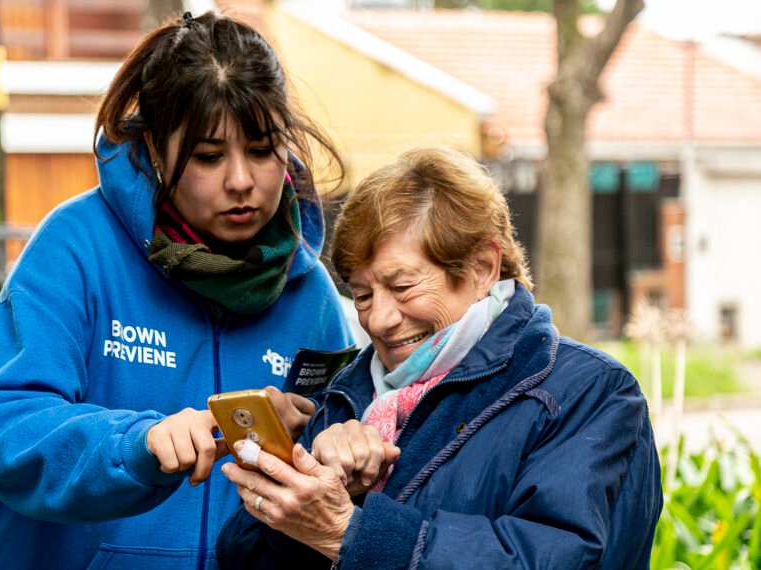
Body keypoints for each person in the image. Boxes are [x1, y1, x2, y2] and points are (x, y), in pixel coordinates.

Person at [0, 11, 355, 569]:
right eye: (208, 156)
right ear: (155, 150)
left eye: (262, 150)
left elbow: (335, 483)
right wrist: (137, 446)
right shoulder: (75, 247)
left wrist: (321, 445)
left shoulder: (310, 292)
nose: (241, 180)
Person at [218, 146, 663, 569]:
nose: (380, 320)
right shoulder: (349, 394)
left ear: (483, 267)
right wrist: (320, 491)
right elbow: (242, 559)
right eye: (362, 294)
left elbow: (556, 558)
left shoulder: (590, 392)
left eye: (402, 287)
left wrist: (350, 530)